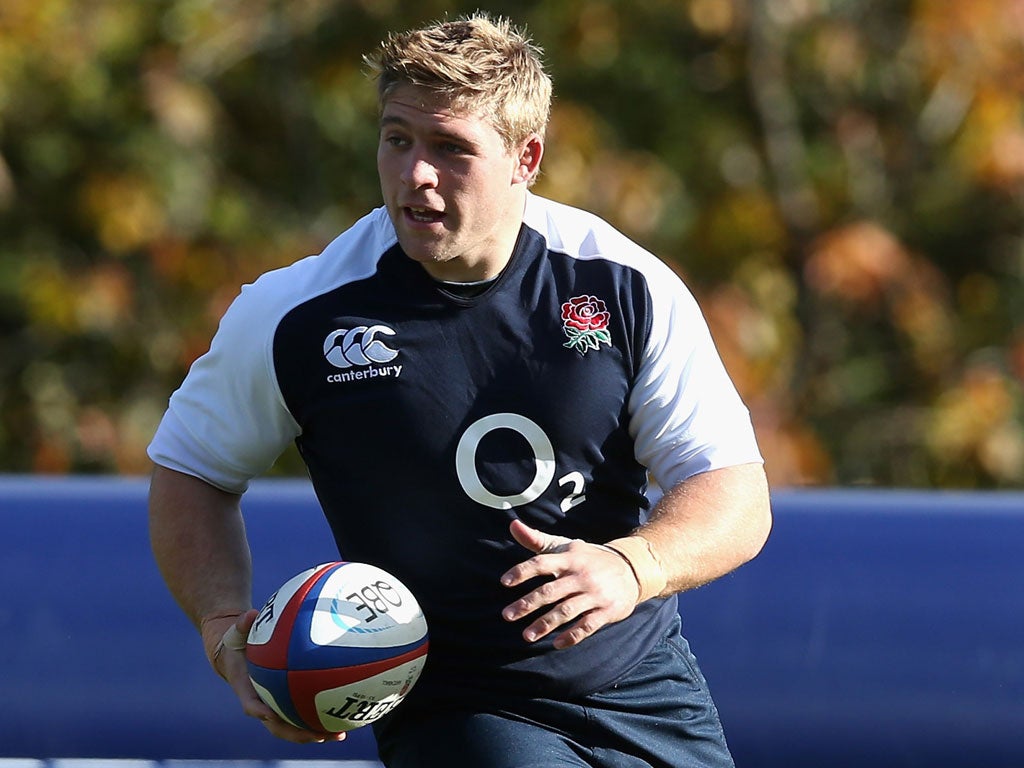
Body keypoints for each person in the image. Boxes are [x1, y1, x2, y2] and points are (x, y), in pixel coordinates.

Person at [147, 12, 772, 768]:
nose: (415, 174)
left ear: (526, 157)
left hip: (644, 685)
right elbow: (191, 470)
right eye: (397, 138)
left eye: (451, 149)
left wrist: (634, 566)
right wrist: (223, 628)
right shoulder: (297, 314)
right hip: (460, 707)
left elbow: (733, 493)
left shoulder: (624, 287)